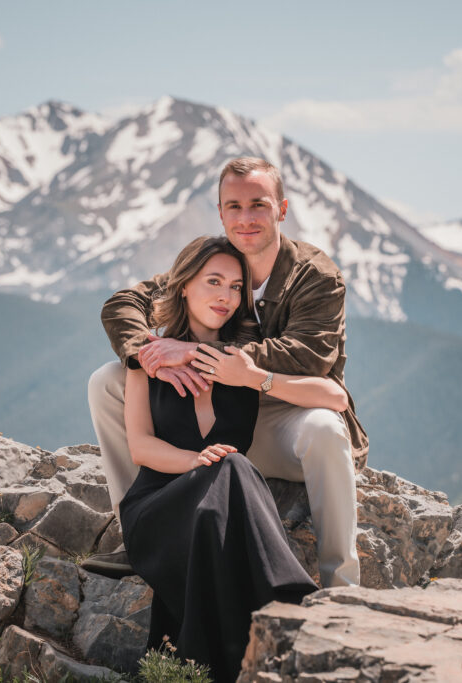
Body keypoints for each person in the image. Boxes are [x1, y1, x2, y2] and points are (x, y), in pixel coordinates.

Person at [87, 157, 368, 587]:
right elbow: (123, 304)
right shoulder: (218, 261)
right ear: (220, 212)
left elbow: (307, 357)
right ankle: (143, 536)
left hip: (281, 411)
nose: (246, 218)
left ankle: (340, 586)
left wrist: (197, 352)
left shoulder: (315, 275)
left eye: (258, 204)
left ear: (282, 209)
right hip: (213, 421)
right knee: (108, 381)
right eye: (233, 206)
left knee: (326, 429)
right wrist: (152, 353)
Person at [119, 236, 321, 681]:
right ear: (184, 285)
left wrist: (257, 378)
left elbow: (334, 397)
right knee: (230, 465)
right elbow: (140, 447)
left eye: (235, 287)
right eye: (213, 281)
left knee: (227, 483)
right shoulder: (150, 358)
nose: (225, 296)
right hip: (157, 507)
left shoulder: (243, 360)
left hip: (216, 510)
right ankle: (290, 604)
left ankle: (212, 663)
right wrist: (197, 461)